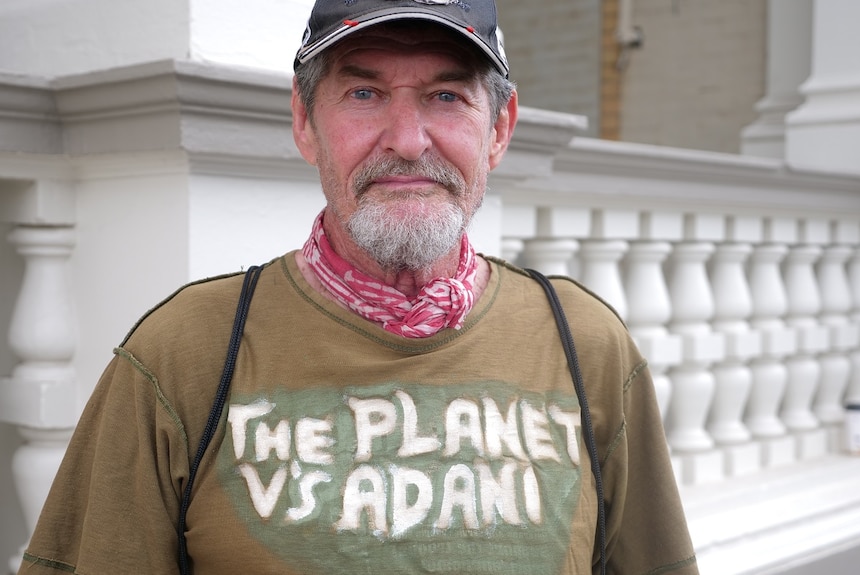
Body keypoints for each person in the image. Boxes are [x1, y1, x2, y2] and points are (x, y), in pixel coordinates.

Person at [19, 1, 698, 574]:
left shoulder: (587, 348)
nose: (407, 140)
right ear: (305, 121)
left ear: (499, 129)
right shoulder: (181, 358)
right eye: (365, 93)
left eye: (446, 95)